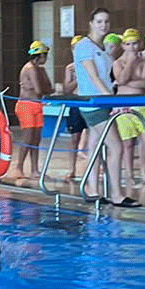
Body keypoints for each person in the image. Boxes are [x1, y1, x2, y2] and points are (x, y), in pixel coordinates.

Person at [72, 9, 139, 207]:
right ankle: (117, 194)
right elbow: (94, 77)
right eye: (99, 21)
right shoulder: (84, 47)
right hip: (95, 104)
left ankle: (93, 189)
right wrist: (113, 101)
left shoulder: (101, 47)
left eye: (107, 22)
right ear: (91, 23)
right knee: (116, 147)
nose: (103, 25)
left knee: (94, 147)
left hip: (101, 102)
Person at [112, 28, 145, 186]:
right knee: (127, 143)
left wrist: (124, 82)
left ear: (139, 44)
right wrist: (130, 63)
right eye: (128, 44)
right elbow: (121, 78)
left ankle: (144, 171)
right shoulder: (117, 63)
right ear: (123, 46)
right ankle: (129, 174)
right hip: (123, 105)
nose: (132, 47)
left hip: (142, 105)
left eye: (134, 43)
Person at [14, 40, 54, 181]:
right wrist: (47, 89)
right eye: (45, 55)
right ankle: (19, 167)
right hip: (26, 105)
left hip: (37, 105)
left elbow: (47, 87)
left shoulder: (40, 69)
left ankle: (34, 170)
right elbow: (41, 89)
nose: (46, 58)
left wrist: (46, 88)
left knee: (36, 139)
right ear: (40, 56)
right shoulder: (30, 68)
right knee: (28, 138)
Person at [61, 36, 88, 181]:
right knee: (74, 138)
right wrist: (78, 76)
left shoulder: (90, 64)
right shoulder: (70, 68)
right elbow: (67, 89)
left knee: (95, 137)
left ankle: (96, 166)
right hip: (76, 103)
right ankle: (72, 169)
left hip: (89, 102)